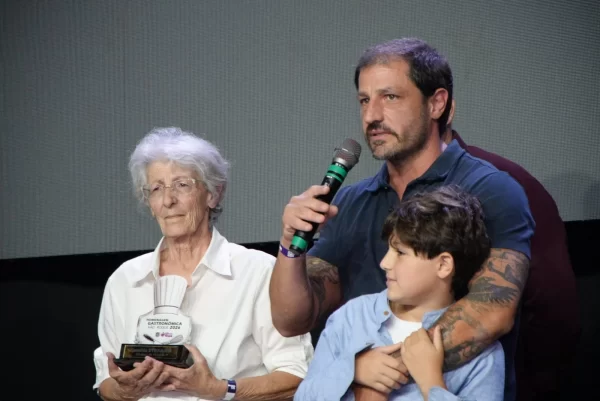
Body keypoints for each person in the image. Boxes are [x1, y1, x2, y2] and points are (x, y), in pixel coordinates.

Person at [269, 37, 534, 401]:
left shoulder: (491, 190)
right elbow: (292, 319)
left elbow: (492, 310)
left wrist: (373, 371)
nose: (371, 116)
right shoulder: (350, 201)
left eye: (390, 97)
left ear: (436, 103)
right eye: (364, 100)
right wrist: (290, 245)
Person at [93, 127, 313, 401]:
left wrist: (218, 390)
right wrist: (125, 390)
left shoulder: (258, 272)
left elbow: (298, 376)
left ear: (213, 193)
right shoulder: (124, 280)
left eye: (182, 185)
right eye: (156, 189)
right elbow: (105, 381)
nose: (168, 201)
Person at [295, 186, 505, 401]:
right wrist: (351, 370)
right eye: (389, 249)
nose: (385, 263)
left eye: (401, 253)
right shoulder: (352, 317)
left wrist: (431, 382)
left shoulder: (481, 353)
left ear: (443, 265)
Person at [442, 102, 580, 400]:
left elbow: (555, 303)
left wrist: (537, 385)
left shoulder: (503, 186)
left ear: (441, 106)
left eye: (393, 97)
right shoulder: (369, 195)